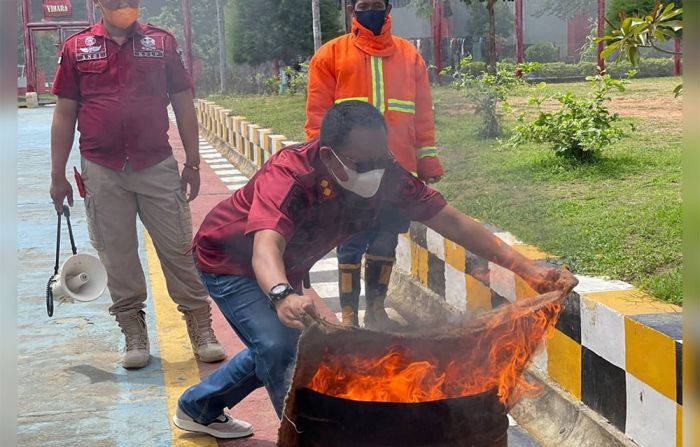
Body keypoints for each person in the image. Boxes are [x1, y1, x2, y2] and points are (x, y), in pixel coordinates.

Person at [171, 101, 577, 439]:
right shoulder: (290, 174)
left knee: (277, 342)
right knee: (281, 348)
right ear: (329, 156)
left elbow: (452, 221)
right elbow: (265, 246)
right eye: (363, 162)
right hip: (230, 261)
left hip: (287, 268)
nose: (376, 171)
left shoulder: (386, 177)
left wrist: (527, 269)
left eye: (382, 158)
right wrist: (280, 294)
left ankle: (197, 406)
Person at [49, 0, 225, 369]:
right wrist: (57, 174)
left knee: (177, 247)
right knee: (117, 254)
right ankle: (133, 331)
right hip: (101, 167)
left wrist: (192, 162)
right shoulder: (77, 48)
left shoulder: (161, 43)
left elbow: (183, 103)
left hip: (155, 163)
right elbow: (65, 112)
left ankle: (201, 327)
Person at [305, 0, 445, 330]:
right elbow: (316, 119)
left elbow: (423, 114)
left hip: (397, 170)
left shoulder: (410, 56)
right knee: (351, 242)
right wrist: (324, 163)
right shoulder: (331, 55)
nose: (370, 10)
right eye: (363, 4)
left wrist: (427, 159)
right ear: (351, 8)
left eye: (376, 4)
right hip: (351, 170)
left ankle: (377, 310)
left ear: (388, 7)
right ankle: (350, 315)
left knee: (386, 239)